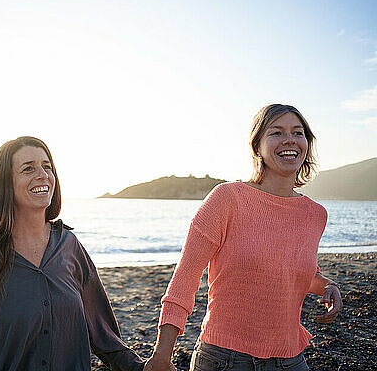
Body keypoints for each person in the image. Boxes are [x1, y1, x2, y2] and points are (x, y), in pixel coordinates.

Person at [0, 136, 144, 371]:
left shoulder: (69, 246)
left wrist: (140, 367)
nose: (42, 175)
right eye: (28, 168)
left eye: (47, 166)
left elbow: (102, 332)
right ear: (6, 183)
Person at [144, 104, 343, 371]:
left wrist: (328, 286)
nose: (289, 140)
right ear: (257, 146)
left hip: (290, 358)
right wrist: (162, 355)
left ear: (306, 144)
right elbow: (185, 277)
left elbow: (290, 272)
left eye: (298, 133)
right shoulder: (227, 198)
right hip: (223, 359)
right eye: (276, 132)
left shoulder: (316, 214)